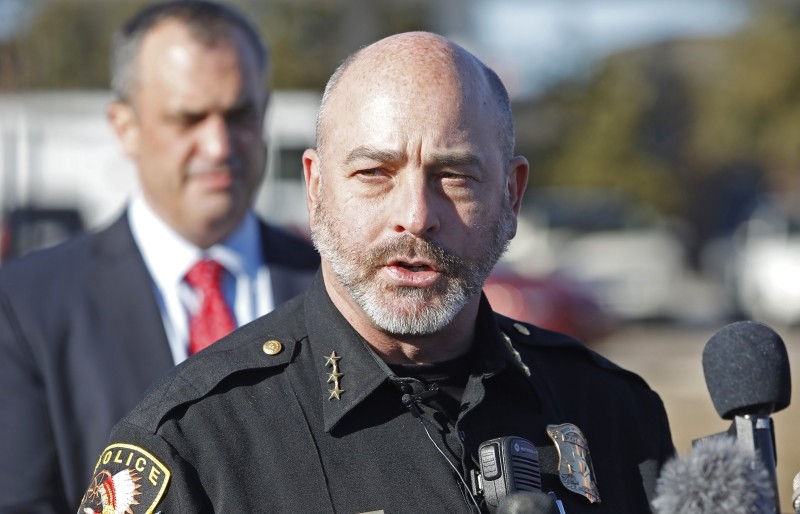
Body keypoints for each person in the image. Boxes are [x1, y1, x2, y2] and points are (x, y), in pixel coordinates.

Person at [76, 31, 674, 513]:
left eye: (456, 176)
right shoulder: (197, 444)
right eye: (374, 174)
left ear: (512, 198)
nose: (415, 216)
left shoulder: (611, 413)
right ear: (315, 190)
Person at [0, 1, 319, 511]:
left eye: (239, 114)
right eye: (188, 118)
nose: (218, 145)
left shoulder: (330, 285)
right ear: (124, 126)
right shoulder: (27, 307)